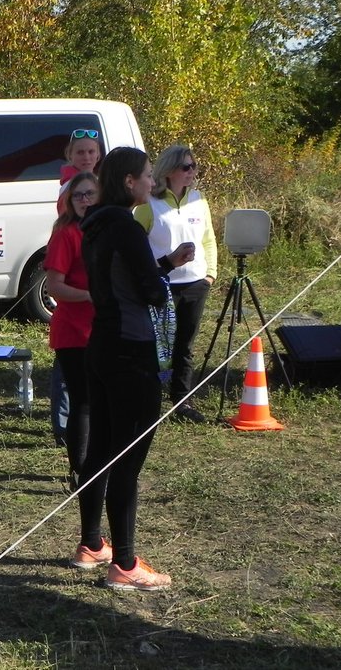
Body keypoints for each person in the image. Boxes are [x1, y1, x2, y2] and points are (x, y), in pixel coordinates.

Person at [73, 147, 194, 591]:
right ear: (128, 181)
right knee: (126, 461)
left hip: (102, 345)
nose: (152, 182)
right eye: (146, 175)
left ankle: (90, 545)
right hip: (130, 352)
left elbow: (127, 276)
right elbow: (149, 292)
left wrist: (164, 263)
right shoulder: (124, 225)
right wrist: (163, 280)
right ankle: (124, 564)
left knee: (100, 451)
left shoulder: (94, 222)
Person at [133, 144, 216, 424]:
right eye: (186, 167)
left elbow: (208, 239)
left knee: (185, 345)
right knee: (159, 345)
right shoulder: (149, 204)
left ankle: (182, 401)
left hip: (196, 283)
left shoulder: (198, 199)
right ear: (168, 171)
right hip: (163, 284)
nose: (192, 171)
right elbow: (135, 244)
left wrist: (210, 274)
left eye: (194, 166)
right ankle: (153, 396)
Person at [43, 172, 98, 484]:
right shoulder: (66, 234)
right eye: (79, 195)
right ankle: (79, 470)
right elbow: (54, 287)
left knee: (99, 401)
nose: (85, 200)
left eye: (91, 194)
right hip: (73, 332)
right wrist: (91, 295)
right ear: (68, 201)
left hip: (101, 329)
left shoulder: (102, 231)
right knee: (84, 401)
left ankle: (95, 465)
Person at [57, 128, 103, 213]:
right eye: (80, 152)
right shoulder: (70, 187)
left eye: (91, 151)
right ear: (70, 155)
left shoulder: (95, 181)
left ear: (98, 155)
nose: (86, 157)